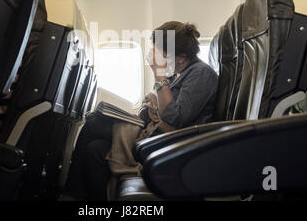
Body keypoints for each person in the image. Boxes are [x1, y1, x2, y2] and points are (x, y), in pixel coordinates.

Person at [63, 21, 219, 201]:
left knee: (93, 123)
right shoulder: (178, 74)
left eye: (160, 52)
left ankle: (71, 194)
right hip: (157, 136)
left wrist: (159, 73)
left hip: (173, 144)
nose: (154, 56)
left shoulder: (201, 73)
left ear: (181, 57)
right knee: (95, 150)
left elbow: (175, 118)